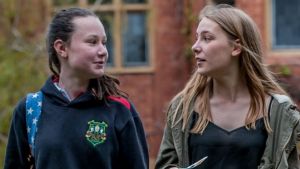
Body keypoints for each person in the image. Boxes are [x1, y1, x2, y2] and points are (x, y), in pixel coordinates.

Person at [155, 4, 300, 169]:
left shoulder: (279, 112)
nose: (195, 47)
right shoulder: (183, 108)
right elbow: (165, 164)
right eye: (197, 38)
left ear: (236, 47)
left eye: (207, 38)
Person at [4, 7, 149, 169]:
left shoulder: (120, 109)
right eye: (92, 42)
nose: (103, 51)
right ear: (62, 48)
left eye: (104, 42)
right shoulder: (30, 109)